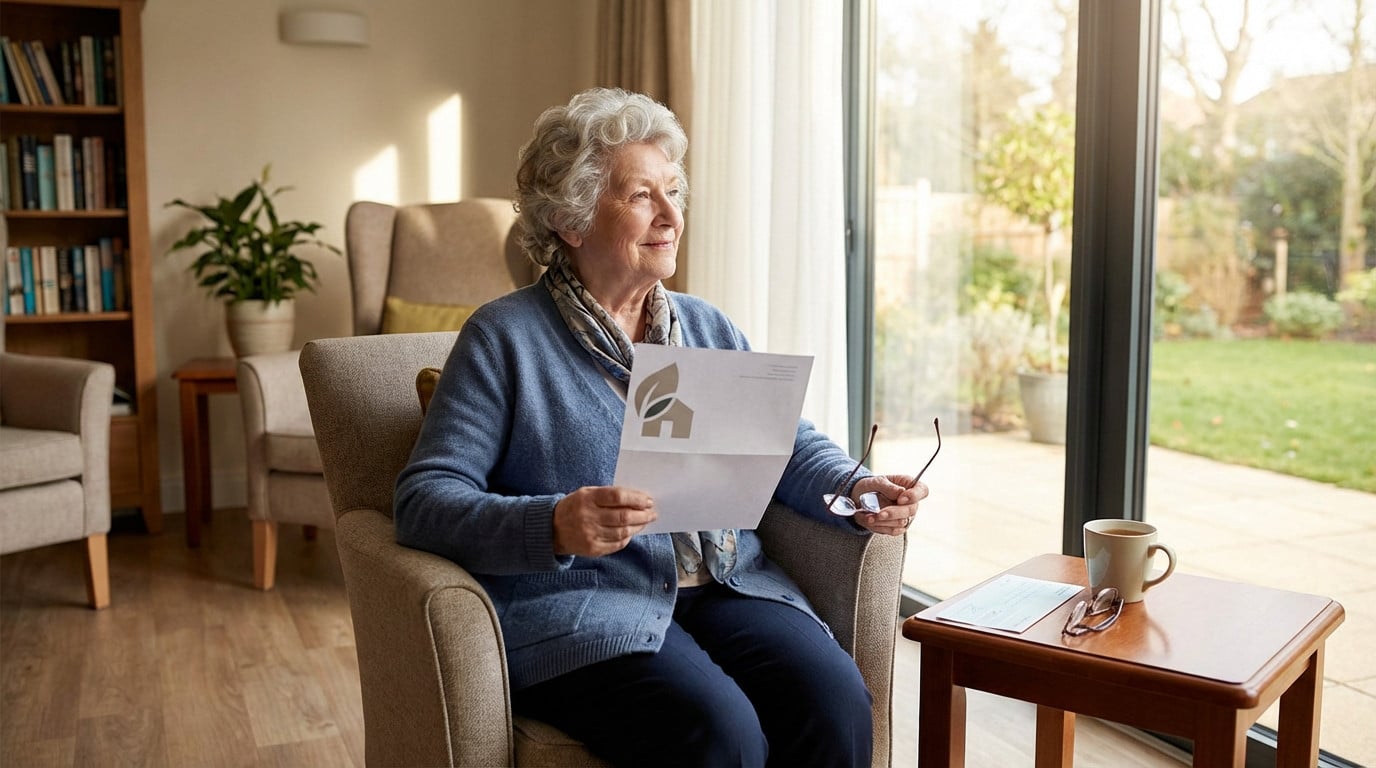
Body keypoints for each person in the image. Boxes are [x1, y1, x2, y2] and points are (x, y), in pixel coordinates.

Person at [393, 87, 927, 768]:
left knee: (834, 701)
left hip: (728, 586)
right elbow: (422, 502)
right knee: (721, 732)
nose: (671, 215)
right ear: (571, 220)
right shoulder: (505, 339)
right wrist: (553, 524)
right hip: (588, 604)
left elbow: (785, 445)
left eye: (673, 192)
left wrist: (861, 487)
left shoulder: (706, 328)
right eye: (642, 195)